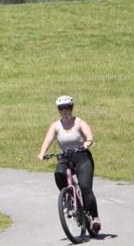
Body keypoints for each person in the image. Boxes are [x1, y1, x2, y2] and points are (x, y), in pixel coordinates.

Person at [37, 95, 101, 233]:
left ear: (71, 109)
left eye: (67, 108)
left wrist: (87, 142)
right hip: (66, 157)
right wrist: (42, 153)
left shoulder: (79, 122)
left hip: (82, 156)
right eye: (61, 109)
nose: (65, 111)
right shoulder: (56, 125)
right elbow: (48, 140)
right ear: (59, 110)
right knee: (59, 173)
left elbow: (89, 136)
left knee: (85, 188)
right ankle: (68, 199)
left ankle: (95, 217)